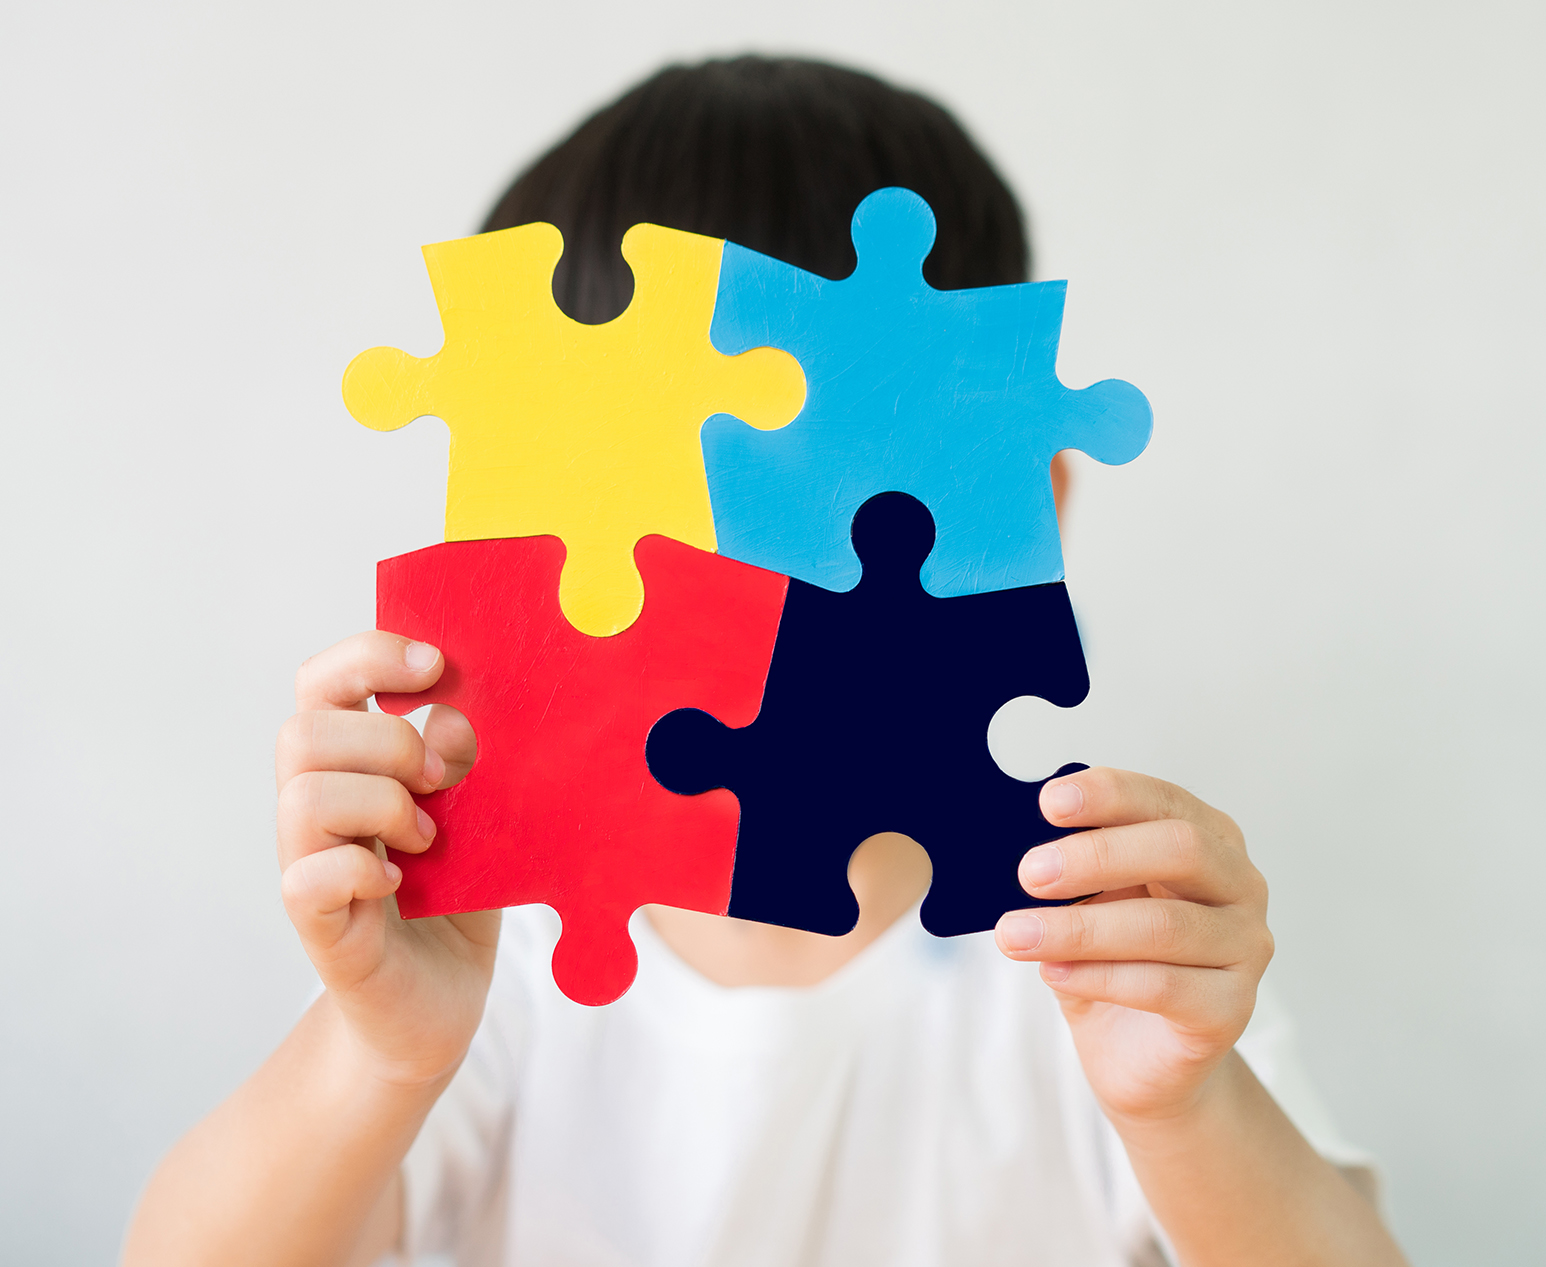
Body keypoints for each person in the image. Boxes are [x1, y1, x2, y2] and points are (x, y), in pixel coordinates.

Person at [123, 56, 1408, 1267]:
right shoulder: (483, 957)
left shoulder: (1103, 940)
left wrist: (1184, 1105)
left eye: (782, 511)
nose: (712, 589)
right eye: (644, 509)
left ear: (1023, 516)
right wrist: (376, 1055)